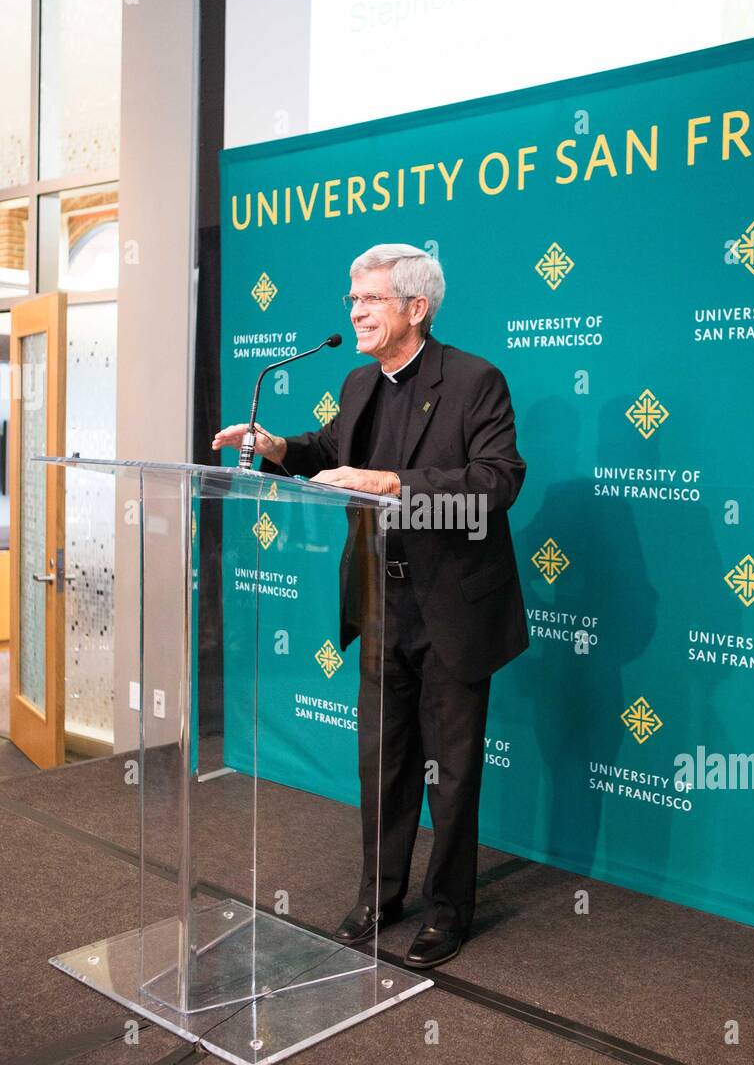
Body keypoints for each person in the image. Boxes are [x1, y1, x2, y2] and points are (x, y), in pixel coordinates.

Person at [212, 243, 528, 967]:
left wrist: (389, 483)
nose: (354, 312)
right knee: (382, 764)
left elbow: (497, 481)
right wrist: (274, 445)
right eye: (352, 300)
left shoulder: (476, 381)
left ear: (416, 308)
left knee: (449, 776)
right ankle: (382, 895)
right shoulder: (358, 384)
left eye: (370, 300)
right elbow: (329, 449)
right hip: (381, 603)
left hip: (452, 608)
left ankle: (448, 912)